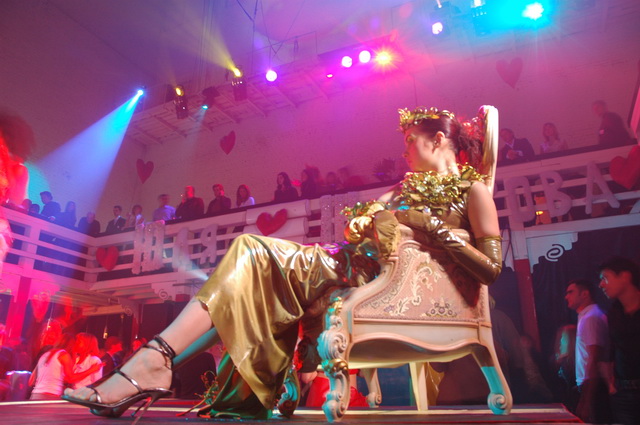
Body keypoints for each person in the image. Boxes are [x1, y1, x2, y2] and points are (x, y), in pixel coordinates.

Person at [63, 105, 503, 421]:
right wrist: (372, 218)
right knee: (245, 265)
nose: (404, 151)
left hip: (371, 280)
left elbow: (491, 268)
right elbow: (360, 227)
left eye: (410, 141)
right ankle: (153, 365)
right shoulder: (403, 187)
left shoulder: (474, 191)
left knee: (249, 252)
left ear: (438, 140)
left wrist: (432, 227)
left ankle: (150, 366)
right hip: (342, 265)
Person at [598, 256, 640, 425]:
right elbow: (610, 350)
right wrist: (610, 385)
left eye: (605, 278)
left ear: (625, 276)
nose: (601, 285)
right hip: (623, 392)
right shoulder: (614, 312)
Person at [564, 279, 611, 423]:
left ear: (584, 294)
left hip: (594, 386)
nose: (566, 296)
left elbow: (594, 357)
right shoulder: (586, 316)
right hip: (591, 385)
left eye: (571, 292)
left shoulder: (591, 317)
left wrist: (586, 400)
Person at [29, 333, 102, 400]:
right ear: (71, 344)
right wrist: (91, 370)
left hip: (36, 394)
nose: (76, 344)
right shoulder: (64, 356)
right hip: (51, 394)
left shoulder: (46, 354)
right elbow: (70, 379)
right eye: (76, 342)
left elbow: (31, 381)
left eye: (79, 342)